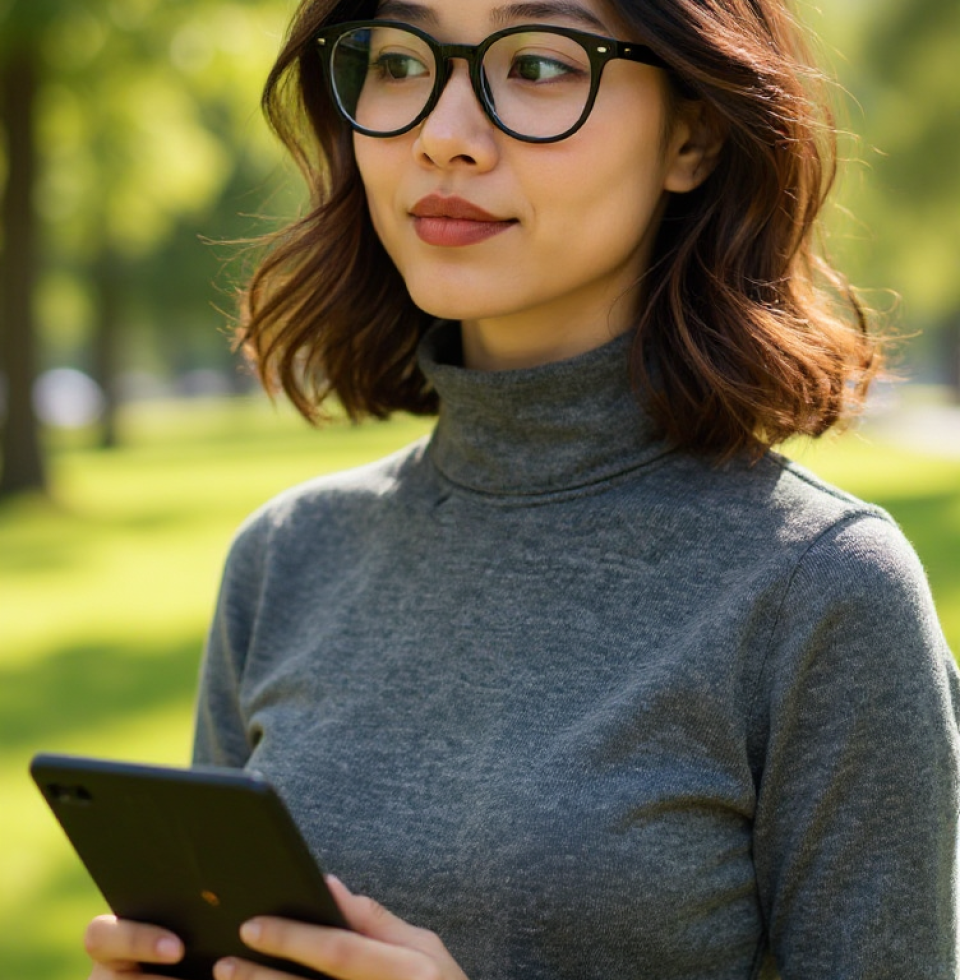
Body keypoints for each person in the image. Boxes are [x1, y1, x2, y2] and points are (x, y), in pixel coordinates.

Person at [84, 0, 960, 977]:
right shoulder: (286, 557)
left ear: (694, 133)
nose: (443, 136)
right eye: (402, 61)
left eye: (538, 67)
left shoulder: (824, 590)